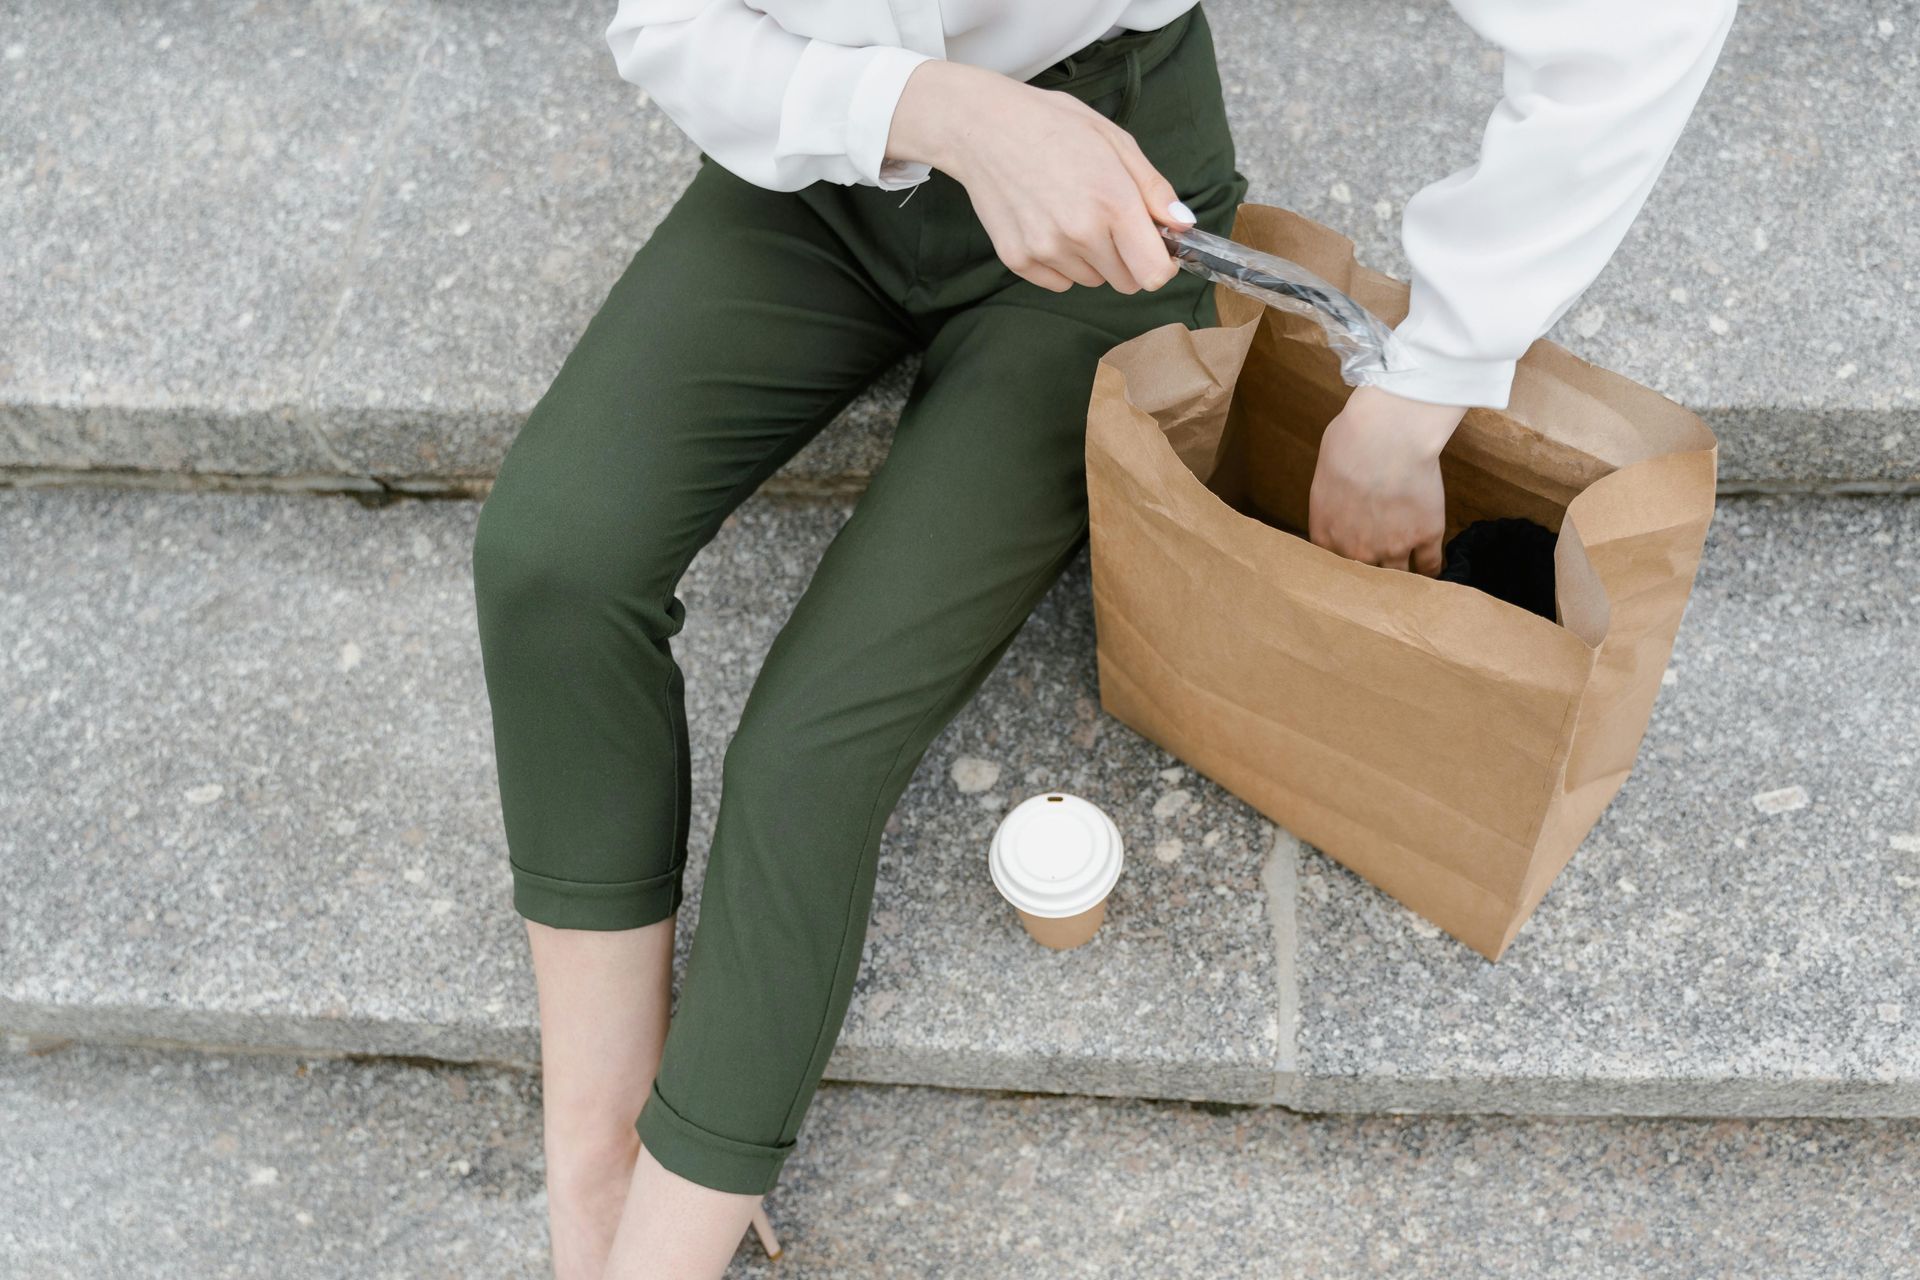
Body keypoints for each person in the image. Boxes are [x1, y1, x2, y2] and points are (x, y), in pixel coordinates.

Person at [468, 1, 1738, 1274]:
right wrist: (949, 112)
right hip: (814, 170)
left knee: (806, 748)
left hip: (1112, 204)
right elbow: (668, 21)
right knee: (548, 558)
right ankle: (592, 1153)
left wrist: (1424, 389)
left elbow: (1637, 24)